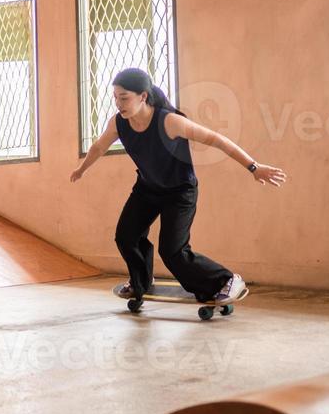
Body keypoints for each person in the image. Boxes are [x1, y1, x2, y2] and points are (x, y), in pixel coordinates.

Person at [70, 68, 287, 303]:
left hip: (180, 192)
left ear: (143, 96)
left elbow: (218, 140)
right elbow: (99, 147)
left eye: (124, 98)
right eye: (115, 97)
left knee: (173, 251)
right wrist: (82, 169)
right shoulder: (118, 123)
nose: (118, 103)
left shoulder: (169, 122)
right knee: (126, 236)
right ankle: (141, 280)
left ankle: (226, 280)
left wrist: (254, 167)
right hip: (148, 188)